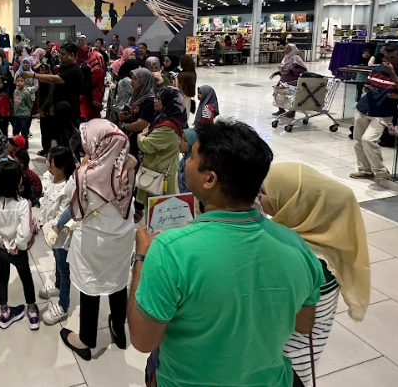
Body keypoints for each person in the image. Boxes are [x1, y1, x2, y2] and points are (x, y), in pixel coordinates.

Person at [128, 120, 325, 387]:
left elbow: (143, 341)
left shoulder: (170, 250)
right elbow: (303, 324)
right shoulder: (297, 246)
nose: (186, 161)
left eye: (191, 156)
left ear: (210, 179)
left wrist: (141, 257)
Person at [260, 163, 372, 387]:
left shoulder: (305, 261)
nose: (258, 198)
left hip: (284, 366)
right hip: (299, 359)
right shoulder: (324, 245)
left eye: (263, 192)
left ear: (294, 203)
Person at [60, 120, 137, 361]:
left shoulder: (85, 175)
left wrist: (84, 165)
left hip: (94, 241)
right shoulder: (127, 165)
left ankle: (86, 340)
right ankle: (119, 332)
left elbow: (67, 194)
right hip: (123, 237)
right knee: (117, 282)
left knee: (91, 287)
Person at [0, 161, 40, 330]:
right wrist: (18, 245)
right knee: (26, 276)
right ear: (16, 182)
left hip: (0, 248)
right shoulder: (22, 203)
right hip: (18, 250)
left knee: (3, 276)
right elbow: (25, 231)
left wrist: (0, 242)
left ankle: (4, 311)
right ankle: (32, 311)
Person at [351, 44, 398, 179]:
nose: (388, 61)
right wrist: (367, 88)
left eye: (393, 57)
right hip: (364, 107)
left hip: (383, 112)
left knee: (368, 140)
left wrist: (392, 73)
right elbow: (370, 83)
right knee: (358, 140)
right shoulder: (377, 69)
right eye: (386, 57)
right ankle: (365, 170)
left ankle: (381, 171)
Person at [38, 146, 76, 325]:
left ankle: (63, 305)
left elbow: (63, 215)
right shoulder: (49, 177)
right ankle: (58, 285)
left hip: (60, 235)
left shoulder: (68, 188)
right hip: (49, 231)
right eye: (48, 160)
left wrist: (51, 228)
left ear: (63, 167)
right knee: (56, 259)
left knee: (63, 268)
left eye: (51, 163)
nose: (48, 165)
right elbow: (44, 201)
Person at [136, 87, 184, 218]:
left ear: (167, 102)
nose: (155, 101)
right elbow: (148, 131)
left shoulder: (168, 126)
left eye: (159, 99)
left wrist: (140, 137)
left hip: (161, 174)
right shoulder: (162, 117)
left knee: (159, 213)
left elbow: (147, 144)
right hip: (157, 168)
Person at [19, 43, 84, 140]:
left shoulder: (75, 71)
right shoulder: (64, 67)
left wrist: (33, 75)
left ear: (72, 55)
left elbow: (54, 79)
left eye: (63, 54)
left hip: (69, 112)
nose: (60, 57)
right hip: (57, 111)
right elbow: (51, 82)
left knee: (67, 140)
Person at [119, 68, 157, 158]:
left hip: (139, 144)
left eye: (135, 79)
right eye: (132, 78)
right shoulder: (135, 96)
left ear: (143, 81)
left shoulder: (150, 101)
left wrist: (124, 125)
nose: (132, 81)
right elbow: (126, 110)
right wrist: (121, 115)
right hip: (130, 140)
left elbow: (141, 125)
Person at [270, 44, 307, 117]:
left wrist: (293, 69)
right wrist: (276, 73)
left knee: (292, 96)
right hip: (283, 79)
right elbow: (284, 68)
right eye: (285, 48)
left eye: (287, 48)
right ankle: (281, 110)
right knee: (278, 93)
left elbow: (303, 69)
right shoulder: (285, 57)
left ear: (292, 49)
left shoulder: (296, 58)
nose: (285, 49)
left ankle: (292, 113)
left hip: (292, 80)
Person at [110, 58, 140, 122]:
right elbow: (138, 92)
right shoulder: (126, 80)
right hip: (122, 109)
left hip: (120, 108)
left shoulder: (124, 78)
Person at [36, 63, 55, 156]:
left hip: (49, 110)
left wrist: (42, 108)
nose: (41, 72)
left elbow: (50, 98)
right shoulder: (41, 81)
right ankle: (45, 148)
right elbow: (39, 95)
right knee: (43, 130)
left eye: (43, 71)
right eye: (40, 71)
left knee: (49, 131)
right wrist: (39, 108)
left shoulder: (51, 81)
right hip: (42, 110)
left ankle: (49, 150)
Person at [84, 49, 106, 120]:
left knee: (93, 116)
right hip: (94, 93)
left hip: (95, 95)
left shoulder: (97, 69)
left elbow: (91, 82)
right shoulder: (94, 68)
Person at [13, 76, 34, 145]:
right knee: (15, 133)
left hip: (24, 116)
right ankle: (16, 147)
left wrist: (28, 112)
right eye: (18, 81)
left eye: (21, 81)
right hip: (16, 115)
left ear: (25, 83)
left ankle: (24, 148)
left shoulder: (26, 93)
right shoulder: (15, 91)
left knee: (24, 134)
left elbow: (30, 104)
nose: (19, 83)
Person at [176, 128, 197, 194]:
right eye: (180, 138)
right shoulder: (183, 161)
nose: (180, 142)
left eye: (185, 140)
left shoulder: (193, 164)